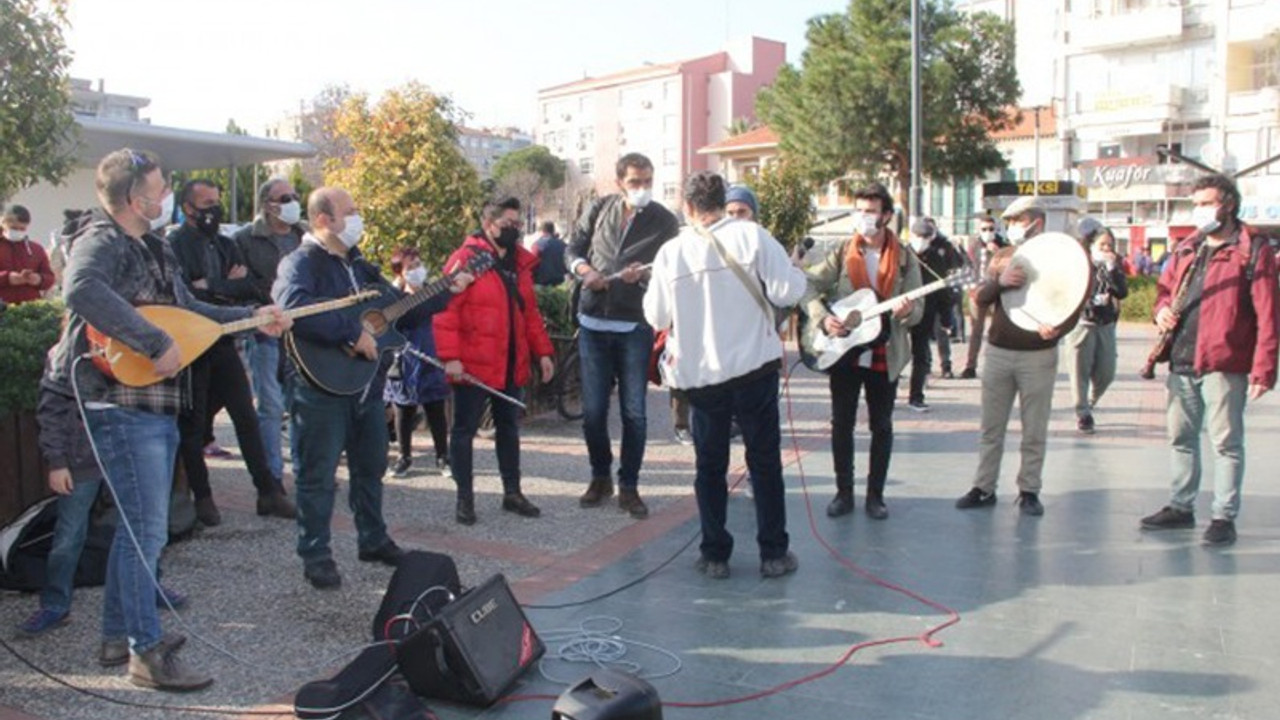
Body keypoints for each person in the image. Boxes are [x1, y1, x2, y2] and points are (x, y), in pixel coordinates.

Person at [44, 148, 290, 690]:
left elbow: (190, 313)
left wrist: (251, 318)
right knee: (146, 532)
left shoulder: (152, 245)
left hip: (150, 407)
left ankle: (117, 634)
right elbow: (81, 290)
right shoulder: (101, 241)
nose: (166, 199)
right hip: (122, 406)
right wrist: (153, 341)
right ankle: (144, 653)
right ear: (135, 199)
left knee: (137, 528)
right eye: (158, 190)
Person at [273, 187, 467, 589]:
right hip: (319, 386)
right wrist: (350, 334)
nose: (359, 217)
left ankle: (373, 538)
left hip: (364, 385)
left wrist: (447, 290)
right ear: (324, 220)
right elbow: (291, 308)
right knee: (317, 473)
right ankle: (316, 553)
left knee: (370, 465)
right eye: (351, 211)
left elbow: (402, 311)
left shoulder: (360, 266)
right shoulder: (301, 263)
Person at [644, 170, 805, 578]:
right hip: (756, 368)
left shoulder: (671, 253)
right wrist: (798, 271)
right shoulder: (754, 236)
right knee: (765, 462)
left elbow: (657, 316)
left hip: (703, 376)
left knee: (709, 466)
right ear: (723, 199)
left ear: (687, 206)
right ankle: (773, 553)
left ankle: (715, 554)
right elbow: (788, 292)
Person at [1140, 174, 1279, 546]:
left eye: (1207, 202)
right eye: (1196, 203)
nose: (1201, 210)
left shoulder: (1252, 250)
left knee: (1226, 442)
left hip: (1223, 361)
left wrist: (1264, 369)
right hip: (1182, 359)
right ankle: (1181, 506)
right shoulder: (1189, 247)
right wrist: (1163, 310)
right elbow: (1164, 291)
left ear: (1229, 204)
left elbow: (1268, 314)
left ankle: (1223, 516)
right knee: (1180, 437)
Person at [17, 376, 187, 640]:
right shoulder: (69, 353)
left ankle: (147, 588)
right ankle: (55, 604)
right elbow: (51, 409)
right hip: (83, 459)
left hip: (126, 449)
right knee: (69, 535)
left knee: (139, 528)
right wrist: (57, 462)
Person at [168, 179, 295, 526]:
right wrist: (223, 290)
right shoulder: (174, 244)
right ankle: (203, 498)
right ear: (188, 208)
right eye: (205, 202)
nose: (213, 209)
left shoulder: (224, 244)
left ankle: (268, 491)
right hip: (193, 344)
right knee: (194, 426)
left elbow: (248, 287)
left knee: (246, 416)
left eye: (216, 201)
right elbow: (182, 297)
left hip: (224, 340)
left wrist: (212, 287)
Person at [567, 153, 680, 519]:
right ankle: (600, 477)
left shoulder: (664, 220)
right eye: (634, 182)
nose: (642, 188)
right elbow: (572, 249)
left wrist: (643, 277)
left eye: (647, 181)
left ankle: (629, 485)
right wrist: (585, 271)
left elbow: (670, 271)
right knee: (594, 413)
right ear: (619, 183)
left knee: (635, 412)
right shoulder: (599, 208)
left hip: (634, 326)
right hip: (593, 323)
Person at [955, 195, 1081, 517]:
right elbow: (981, 298)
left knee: (1034, 427)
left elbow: (1073, 301)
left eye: (1017, 221)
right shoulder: (1002, 256)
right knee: (991, 427)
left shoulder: (1059, 256)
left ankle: (1029, 490)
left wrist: (1059, 329)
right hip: (998, 351)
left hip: (1038, 355)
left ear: (1035, 222)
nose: (1011, 227)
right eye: (1008, 221)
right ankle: (983, 486)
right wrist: (999, 282)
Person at [803, 183, 922, 519]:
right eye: (859, 210)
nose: (864, 217)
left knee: (881, 425)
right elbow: (809, 285)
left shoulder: (905, 258)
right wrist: (823, 319)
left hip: (886, 351)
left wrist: (907, 312)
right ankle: (843, 493)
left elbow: (920, 307)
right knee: (842, 423)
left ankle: (875, 495)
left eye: (870, 211)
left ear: (886, 215)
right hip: (845, 350)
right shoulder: (842, 251)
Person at [435, 196, 555, 526]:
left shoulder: (519, 264)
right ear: (490, 225)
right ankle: (464, 499)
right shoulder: (465, 260)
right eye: (508, 225)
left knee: (509, 428)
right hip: (474, 363)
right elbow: (446, 312)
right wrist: (450, 357)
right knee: (463, 431)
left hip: (510, 360)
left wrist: (542, 352)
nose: (515, 231)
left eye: (518, 225)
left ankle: (512, 492)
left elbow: (529, 312)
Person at [233, 178, 308, 488]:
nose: (292, 201)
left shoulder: (304, 236)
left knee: (302, 404)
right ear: (267, 204)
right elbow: (237, 285)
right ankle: (273, 478)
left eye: (294, 195)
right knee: (271, 406)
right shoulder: (244, 239)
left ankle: (306, 473)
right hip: (263, 333)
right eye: (284, 197)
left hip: (301, 332)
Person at [385, 246, 451, 477]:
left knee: (435, 408)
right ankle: (404, 457)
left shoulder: (434, 294)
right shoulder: (395, 299)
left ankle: (443, 456)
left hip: (431, 354)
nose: (416, 270)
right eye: (410, 267)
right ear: (399, 273)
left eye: (418, 265)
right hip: (404, 359)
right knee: (403, 410)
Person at [1066, 224, 1128, 434]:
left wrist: (1112, 270)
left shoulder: (1112, 266)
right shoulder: (1079, 264)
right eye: (1102, 244)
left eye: (1110, 245)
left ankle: (1090, 401)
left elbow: (1122, 292)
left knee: (1106, 372)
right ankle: (1083, 412)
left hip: (1105, 323)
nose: (1106, 249)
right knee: (1079, 372)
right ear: (1091, 245)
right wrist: (1089, 301)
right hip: (1082, 323)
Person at [906, 217, 962, 411]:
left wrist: (947, 319)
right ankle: (887, 394)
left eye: (925, 237)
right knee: (894, 354)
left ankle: (916, 396)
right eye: (917, 236)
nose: (921, 240)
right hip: (897, 313)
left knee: (921, 355)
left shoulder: (936, 258)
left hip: (925, 312)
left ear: (931, 238)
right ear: (910, 235)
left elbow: (942, 292)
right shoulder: (901, 255)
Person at [960, 216, 1007, 379]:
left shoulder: (1003, 245)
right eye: (984, 229)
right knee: (976, 331)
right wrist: (970, 289)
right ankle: (970, 365)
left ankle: (996, 366)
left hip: (998, 292)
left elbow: (1010, 267)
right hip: (978, 291)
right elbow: (967, 268)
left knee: (998, 330)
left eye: (991, 229)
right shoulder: (974, 245)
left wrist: (998, 253)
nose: (988, 233)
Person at [1, 204, 55, 305]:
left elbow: (50, 278)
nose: (18, 232)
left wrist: (39, 279)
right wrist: (7, 278)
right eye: (13, 228)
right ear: (3, 224)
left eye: (22, 229)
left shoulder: (36, 249)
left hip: (30, 309)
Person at [532, 221, 568, 286]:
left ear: (542, 231)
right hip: (560, 282)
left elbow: (532, 264)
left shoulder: (537, 245)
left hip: (541, 282)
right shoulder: (564, 245)